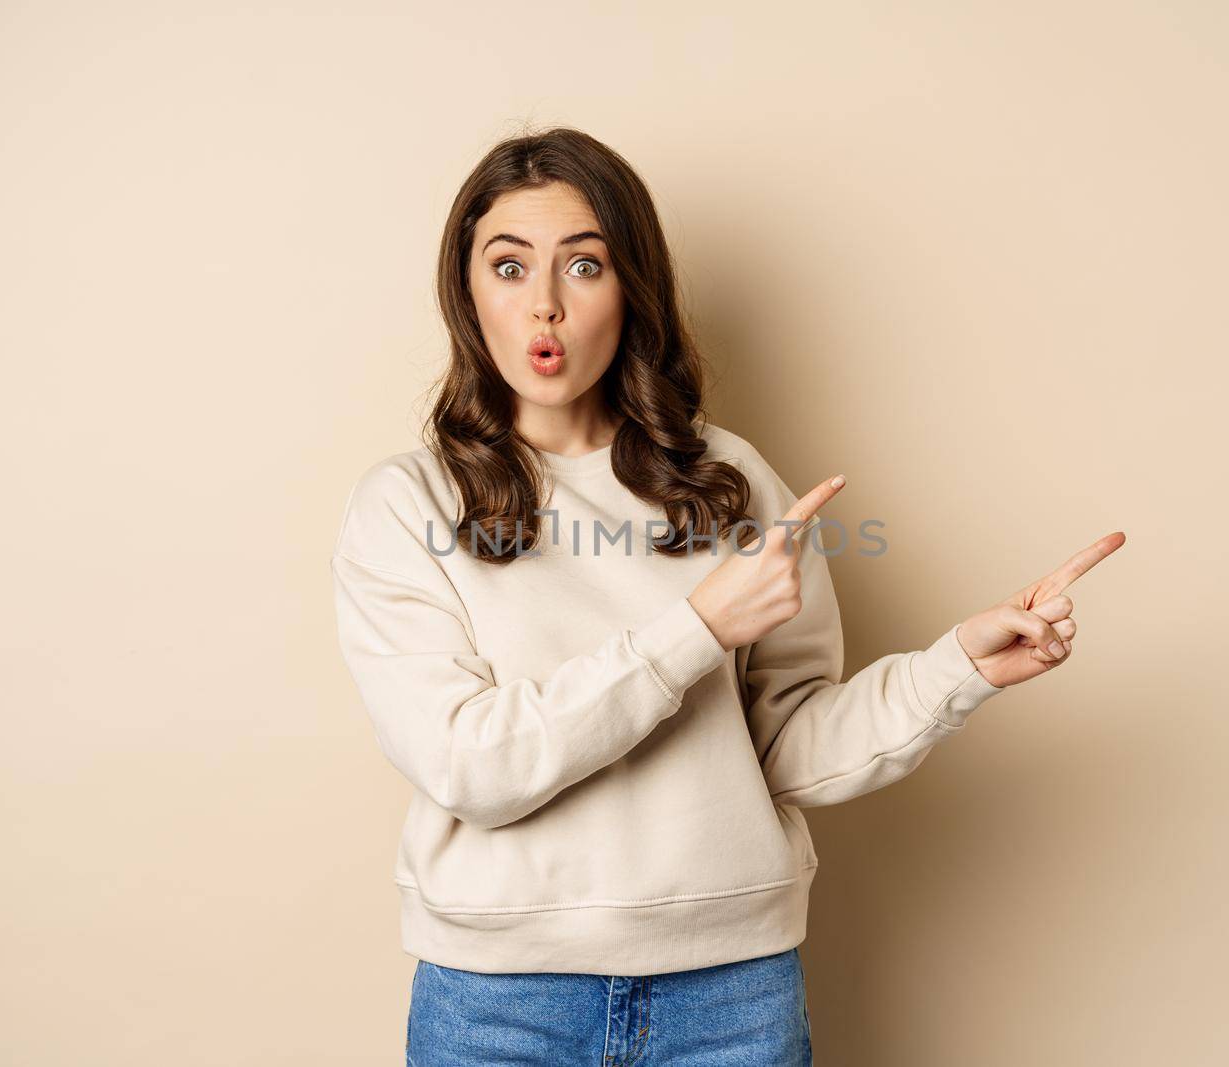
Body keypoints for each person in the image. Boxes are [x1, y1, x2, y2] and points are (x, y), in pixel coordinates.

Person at [330, 126, 1125, 1066]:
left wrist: (956, 668)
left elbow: (785, 750)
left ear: (631, 287)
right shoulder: (408, 503)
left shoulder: (729, 479)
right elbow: (471, 767)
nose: (543, 305)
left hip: (731, 998)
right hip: (499, 1004)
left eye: (583, 266)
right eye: (508, 267)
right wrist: (697, 626)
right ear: (467, 291)